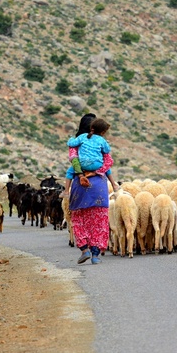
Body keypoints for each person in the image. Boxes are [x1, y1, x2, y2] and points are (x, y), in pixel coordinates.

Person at [66, 114, 120, 265]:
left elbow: (74, 160)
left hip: (80, 184)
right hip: (99, 186)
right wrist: (96, 172)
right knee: (99, 219)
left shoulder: (76, 143)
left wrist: (81, 174)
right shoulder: (102, 142)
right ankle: (96, 254)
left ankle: (84, 249)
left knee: (78, 217)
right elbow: (109, 161)